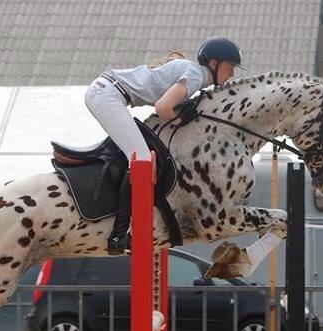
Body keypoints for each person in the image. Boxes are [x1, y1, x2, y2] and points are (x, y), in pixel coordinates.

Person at [84, 35, 243, 254]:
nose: (232, 73)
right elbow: (163, 108)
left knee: (146, 156)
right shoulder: (196, 75)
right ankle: (119, 234)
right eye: (230, 66)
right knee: (142, 161)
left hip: (108, 91)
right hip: (107, 94)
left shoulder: (194, 74)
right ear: (214, 63)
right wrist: (181, 119)